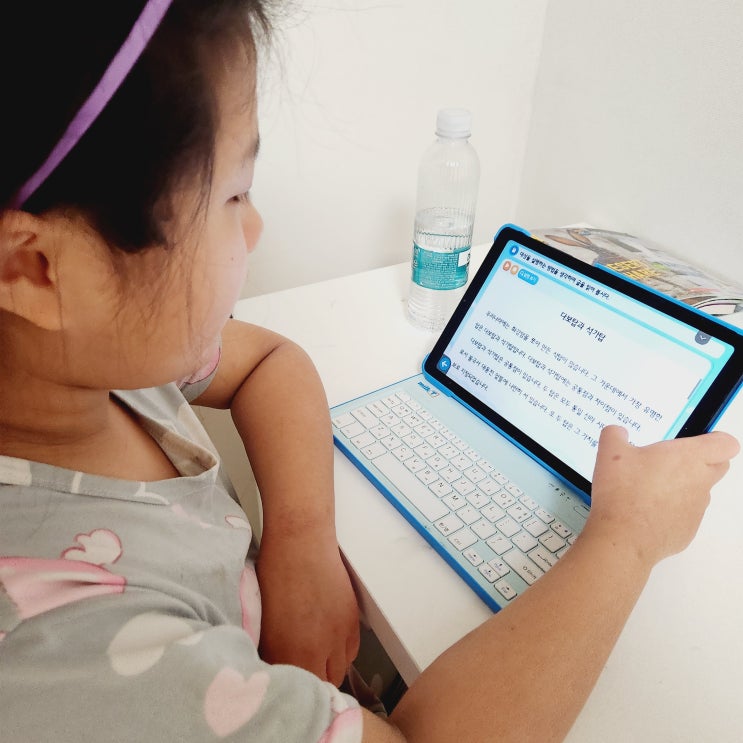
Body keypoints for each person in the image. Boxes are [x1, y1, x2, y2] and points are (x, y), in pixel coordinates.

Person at [0, 1, 737, 741]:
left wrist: (300, 537)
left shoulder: (93, 368)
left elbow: (269, 362)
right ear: (35, 267)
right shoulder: (80, 647)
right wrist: (627, 537)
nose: (255, 228)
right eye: (232, 195)